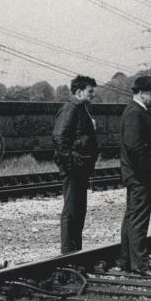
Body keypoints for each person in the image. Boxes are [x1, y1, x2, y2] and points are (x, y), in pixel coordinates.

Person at [117, 75, 151, 276]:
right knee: (138, 219)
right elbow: (135, 148)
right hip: (140, 177)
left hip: (137, 176)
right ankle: (140, 264)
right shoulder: (135, 114)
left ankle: (128, 261)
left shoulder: (136, 112)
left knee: (132, 217)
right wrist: (150, 173)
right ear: (141, 92)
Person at [52, 75, 99, 254]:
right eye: (90, 91)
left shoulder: (81, 109)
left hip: (80, 169)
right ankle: (68, 253)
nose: (93, 95)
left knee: (78, 211)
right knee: (71, 212)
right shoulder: (70, 109)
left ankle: (75, 252)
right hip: (74, 169)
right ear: (79, 92)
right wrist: (73, 163)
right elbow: (59, 137)